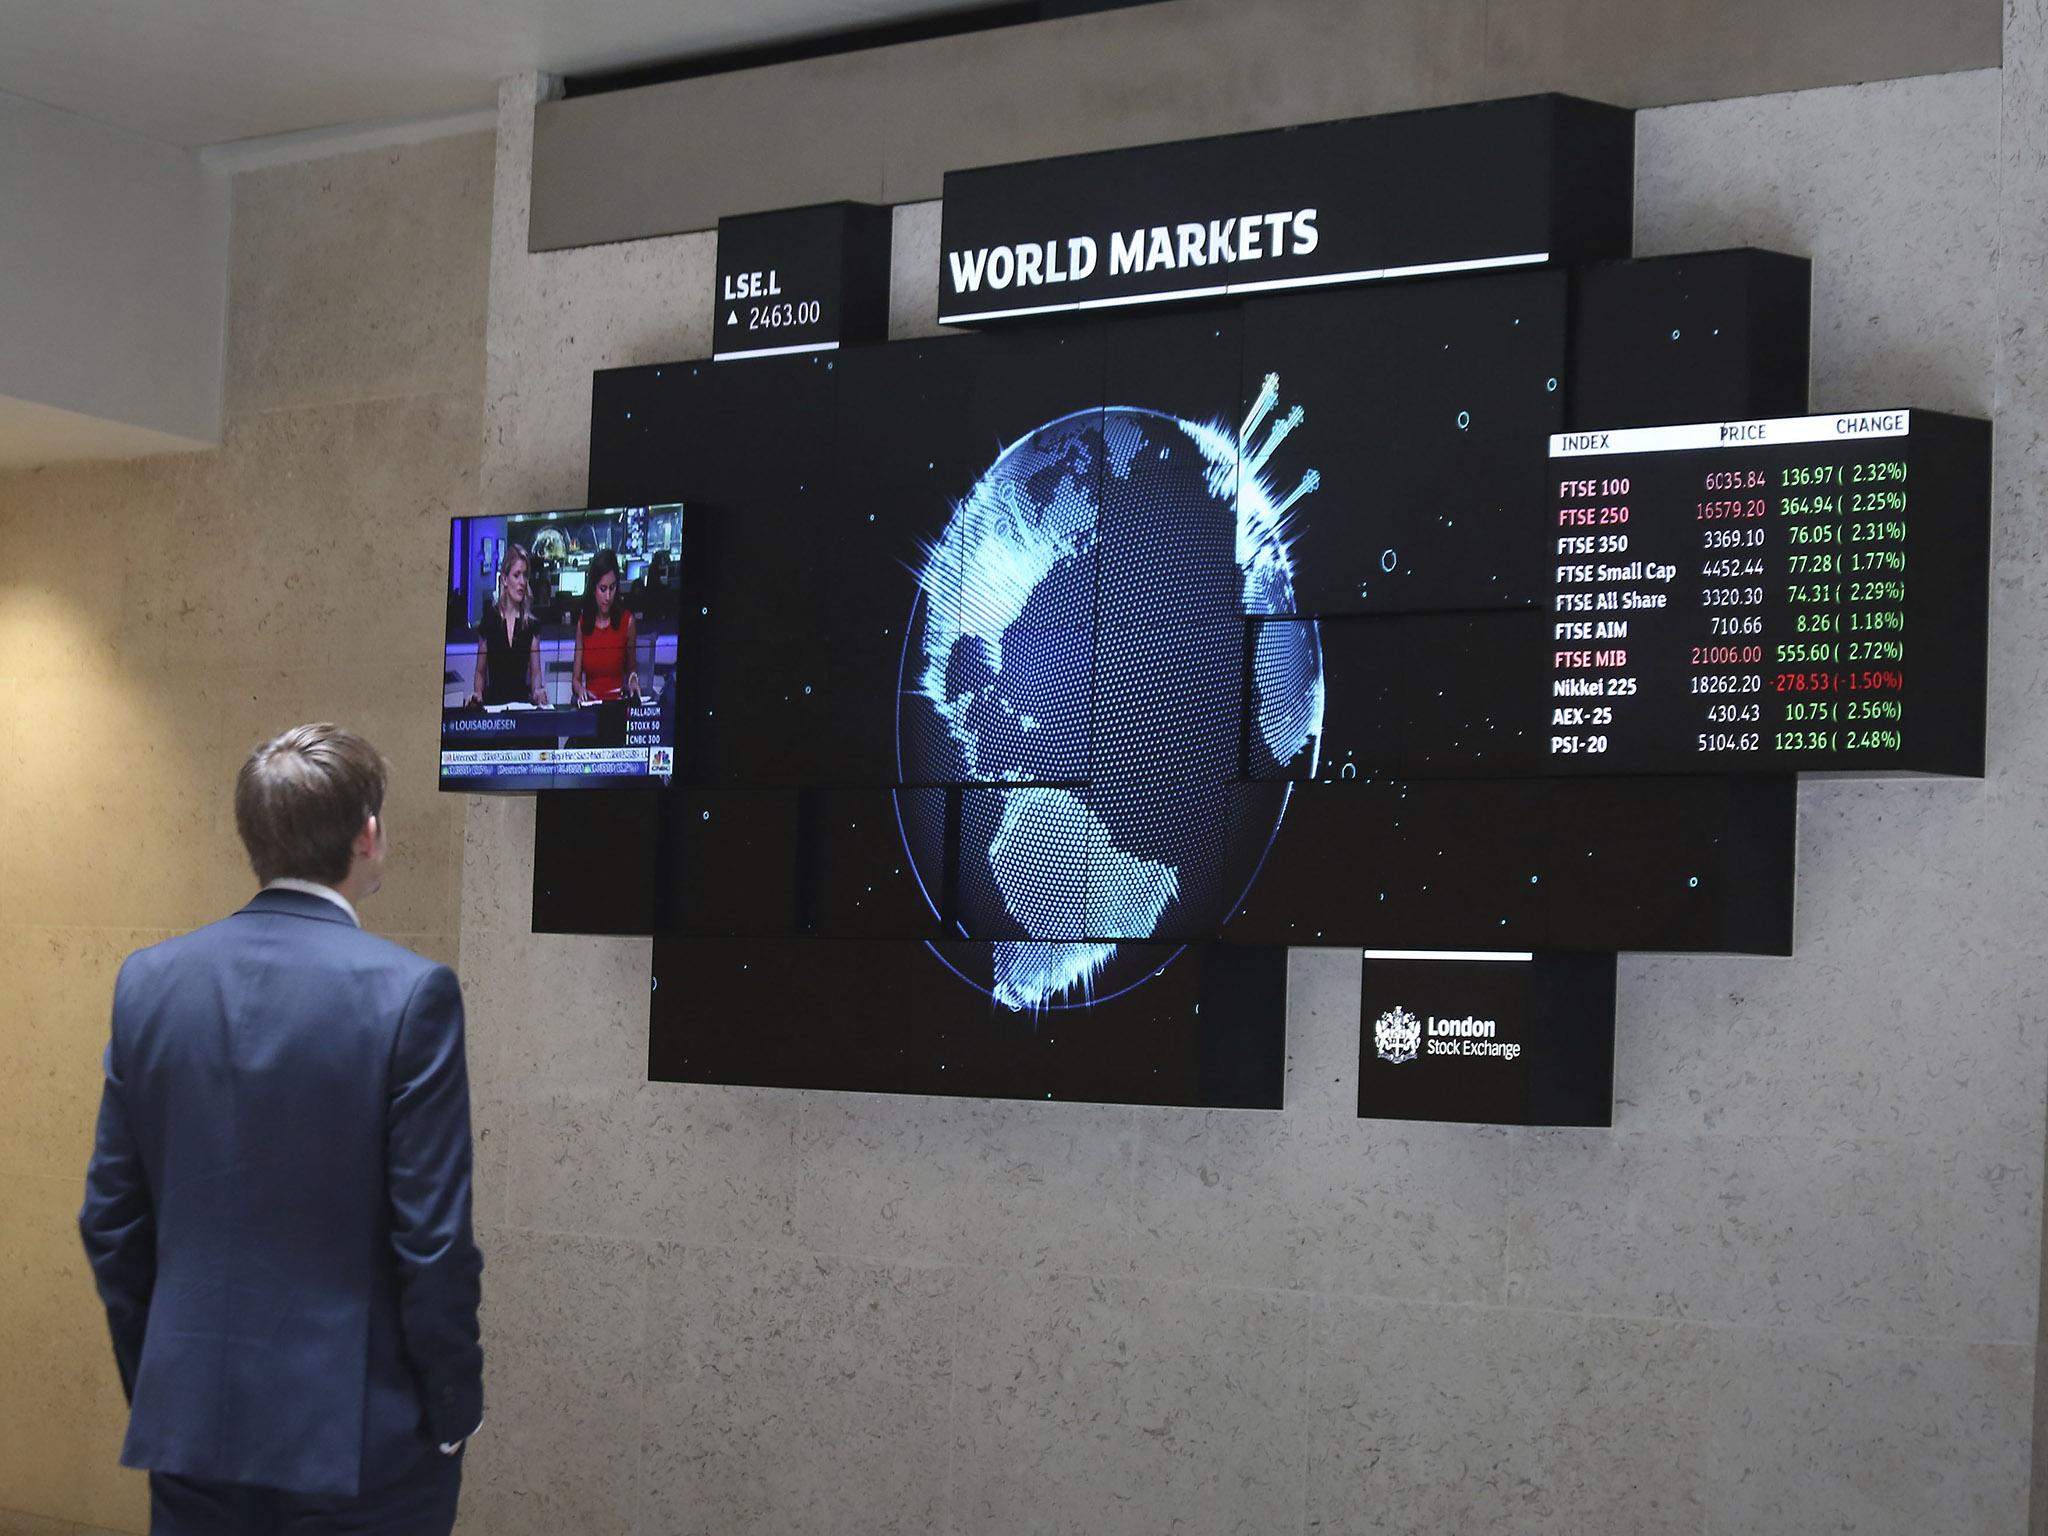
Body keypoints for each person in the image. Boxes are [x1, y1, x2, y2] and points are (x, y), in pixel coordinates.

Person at [79, 724, 484, 1536]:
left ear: (253, 838)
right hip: (361, 1451)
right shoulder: (411, 996)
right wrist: (453, 1412)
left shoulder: (150, 983)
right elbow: (432, 1245)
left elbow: (112, 1222)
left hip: (191, 1431)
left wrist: (165, 1380)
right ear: (368, 835)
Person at [468, 541, 549, 707]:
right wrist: (477, 694)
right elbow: (480, 672)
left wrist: (538, 691)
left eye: (525, 575)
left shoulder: (531, 625)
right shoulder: (489, 620)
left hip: (521, 707)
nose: (522, 582)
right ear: (505, 579)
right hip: (494, 706)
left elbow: (535, 673)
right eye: (517, 575)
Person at [572, 548, 639, 704]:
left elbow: (632, 670)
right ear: (593, 588)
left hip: (618, 706)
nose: (608, 596)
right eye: (603, 589)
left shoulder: (627, 622)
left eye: (612, 588)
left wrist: (633, 681)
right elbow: (575, 680)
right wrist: (581, 690)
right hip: (591, 708)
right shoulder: (583, 623)